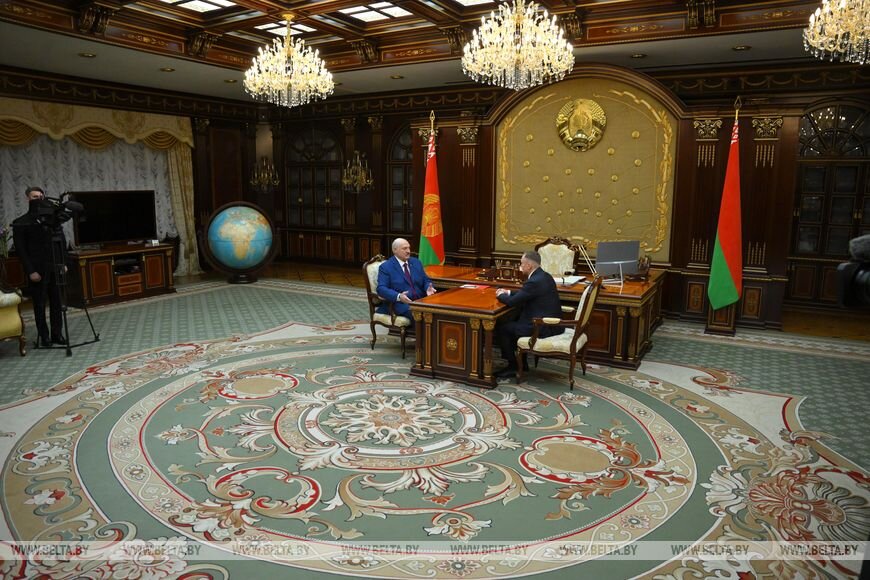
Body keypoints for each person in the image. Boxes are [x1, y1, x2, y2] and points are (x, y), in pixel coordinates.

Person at [494, 250, 564, 378]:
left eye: (521, 264)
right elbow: (526, 292)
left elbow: (512, 302)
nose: (520, 266)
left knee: (503, 328)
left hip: (541, 326)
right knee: (514, 320)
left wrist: (500, 295)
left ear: (529, 266)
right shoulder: (545, 276)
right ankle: (522, 363)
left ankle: (513, 366)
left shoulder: (534, 281)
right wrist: (508, 292)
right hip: (552, 324)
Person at [12, 186, 66, 347]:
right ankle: (44, 336)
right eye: (35, 197)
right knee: (40, 304)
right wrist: (31, 271)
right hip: (37, 270)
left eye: (41, 196)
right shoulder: (21, 222)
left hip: (54, 267)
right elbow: (21, 250)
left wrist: (63, 263)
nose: (39, 199)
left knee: (57, 302)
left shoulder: (53, 222)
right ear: (28, 199)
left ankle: (57, 334)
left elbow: (61, 243)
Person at [376, 237, 436, 318]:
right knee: (419, 315)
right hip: (401, 304)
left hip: (420, 300)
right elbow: (381, 289)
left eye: (409, 248)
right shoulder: (386, 267)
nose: (408, 251)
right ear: (395, 250)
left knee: (437, 312)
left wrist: (428, 287)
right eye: (404, 248)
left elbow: (425, 280)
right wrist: (399, 296)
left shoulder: (416, 262)